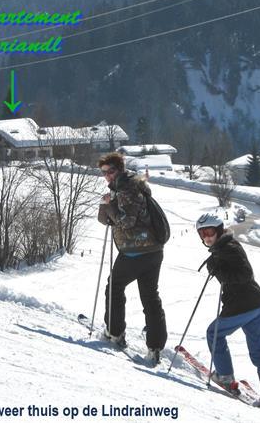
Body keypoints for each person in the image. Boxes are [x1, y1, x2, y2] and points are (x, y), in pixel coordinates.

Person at [195, 213, 260, 410]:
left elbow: (245, 273)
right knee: (258, 348)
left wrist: (218, 269)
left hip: (242, 305)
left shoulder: (228, 248)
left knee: (214, 333)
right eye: (202, 233)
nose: (206, 237)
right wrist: (216, 265)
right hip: (256, 304)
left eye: (210, 232)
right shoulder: (225, 246)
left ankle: (225, 376)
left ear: (219, 230)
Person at [97, 152, 167, 364]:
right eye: (104, 173)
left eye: (111, 171)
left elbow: (126, 222)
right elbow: (105, 219)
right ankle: (155, 347)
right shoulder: (128, 188)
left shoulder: (127, 190)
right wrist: (107, 205)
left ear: (120, 169)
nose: (107, 176)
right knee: (150, 297)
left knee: (114, 287)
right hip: (153, 250)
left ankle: (115, 332)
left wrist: (109, 205)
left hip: (134, 251)